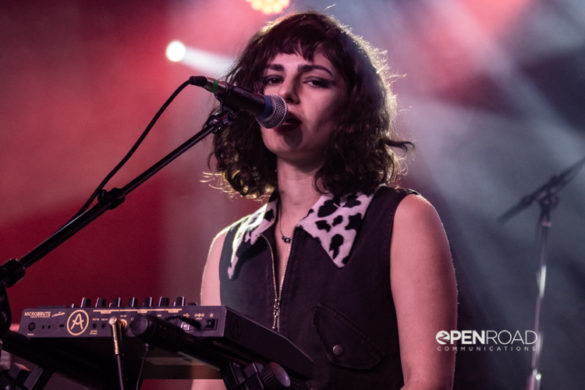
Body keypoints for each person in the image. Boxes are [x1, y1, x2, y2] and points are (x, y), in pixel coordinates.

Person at [196, 11, 457, 390]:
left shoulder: (402, 220)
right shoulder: (228, 250)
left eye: (315, 81)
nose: (285, 94)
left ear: (350, 109)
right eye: (272, 79)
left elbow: (427, 383)